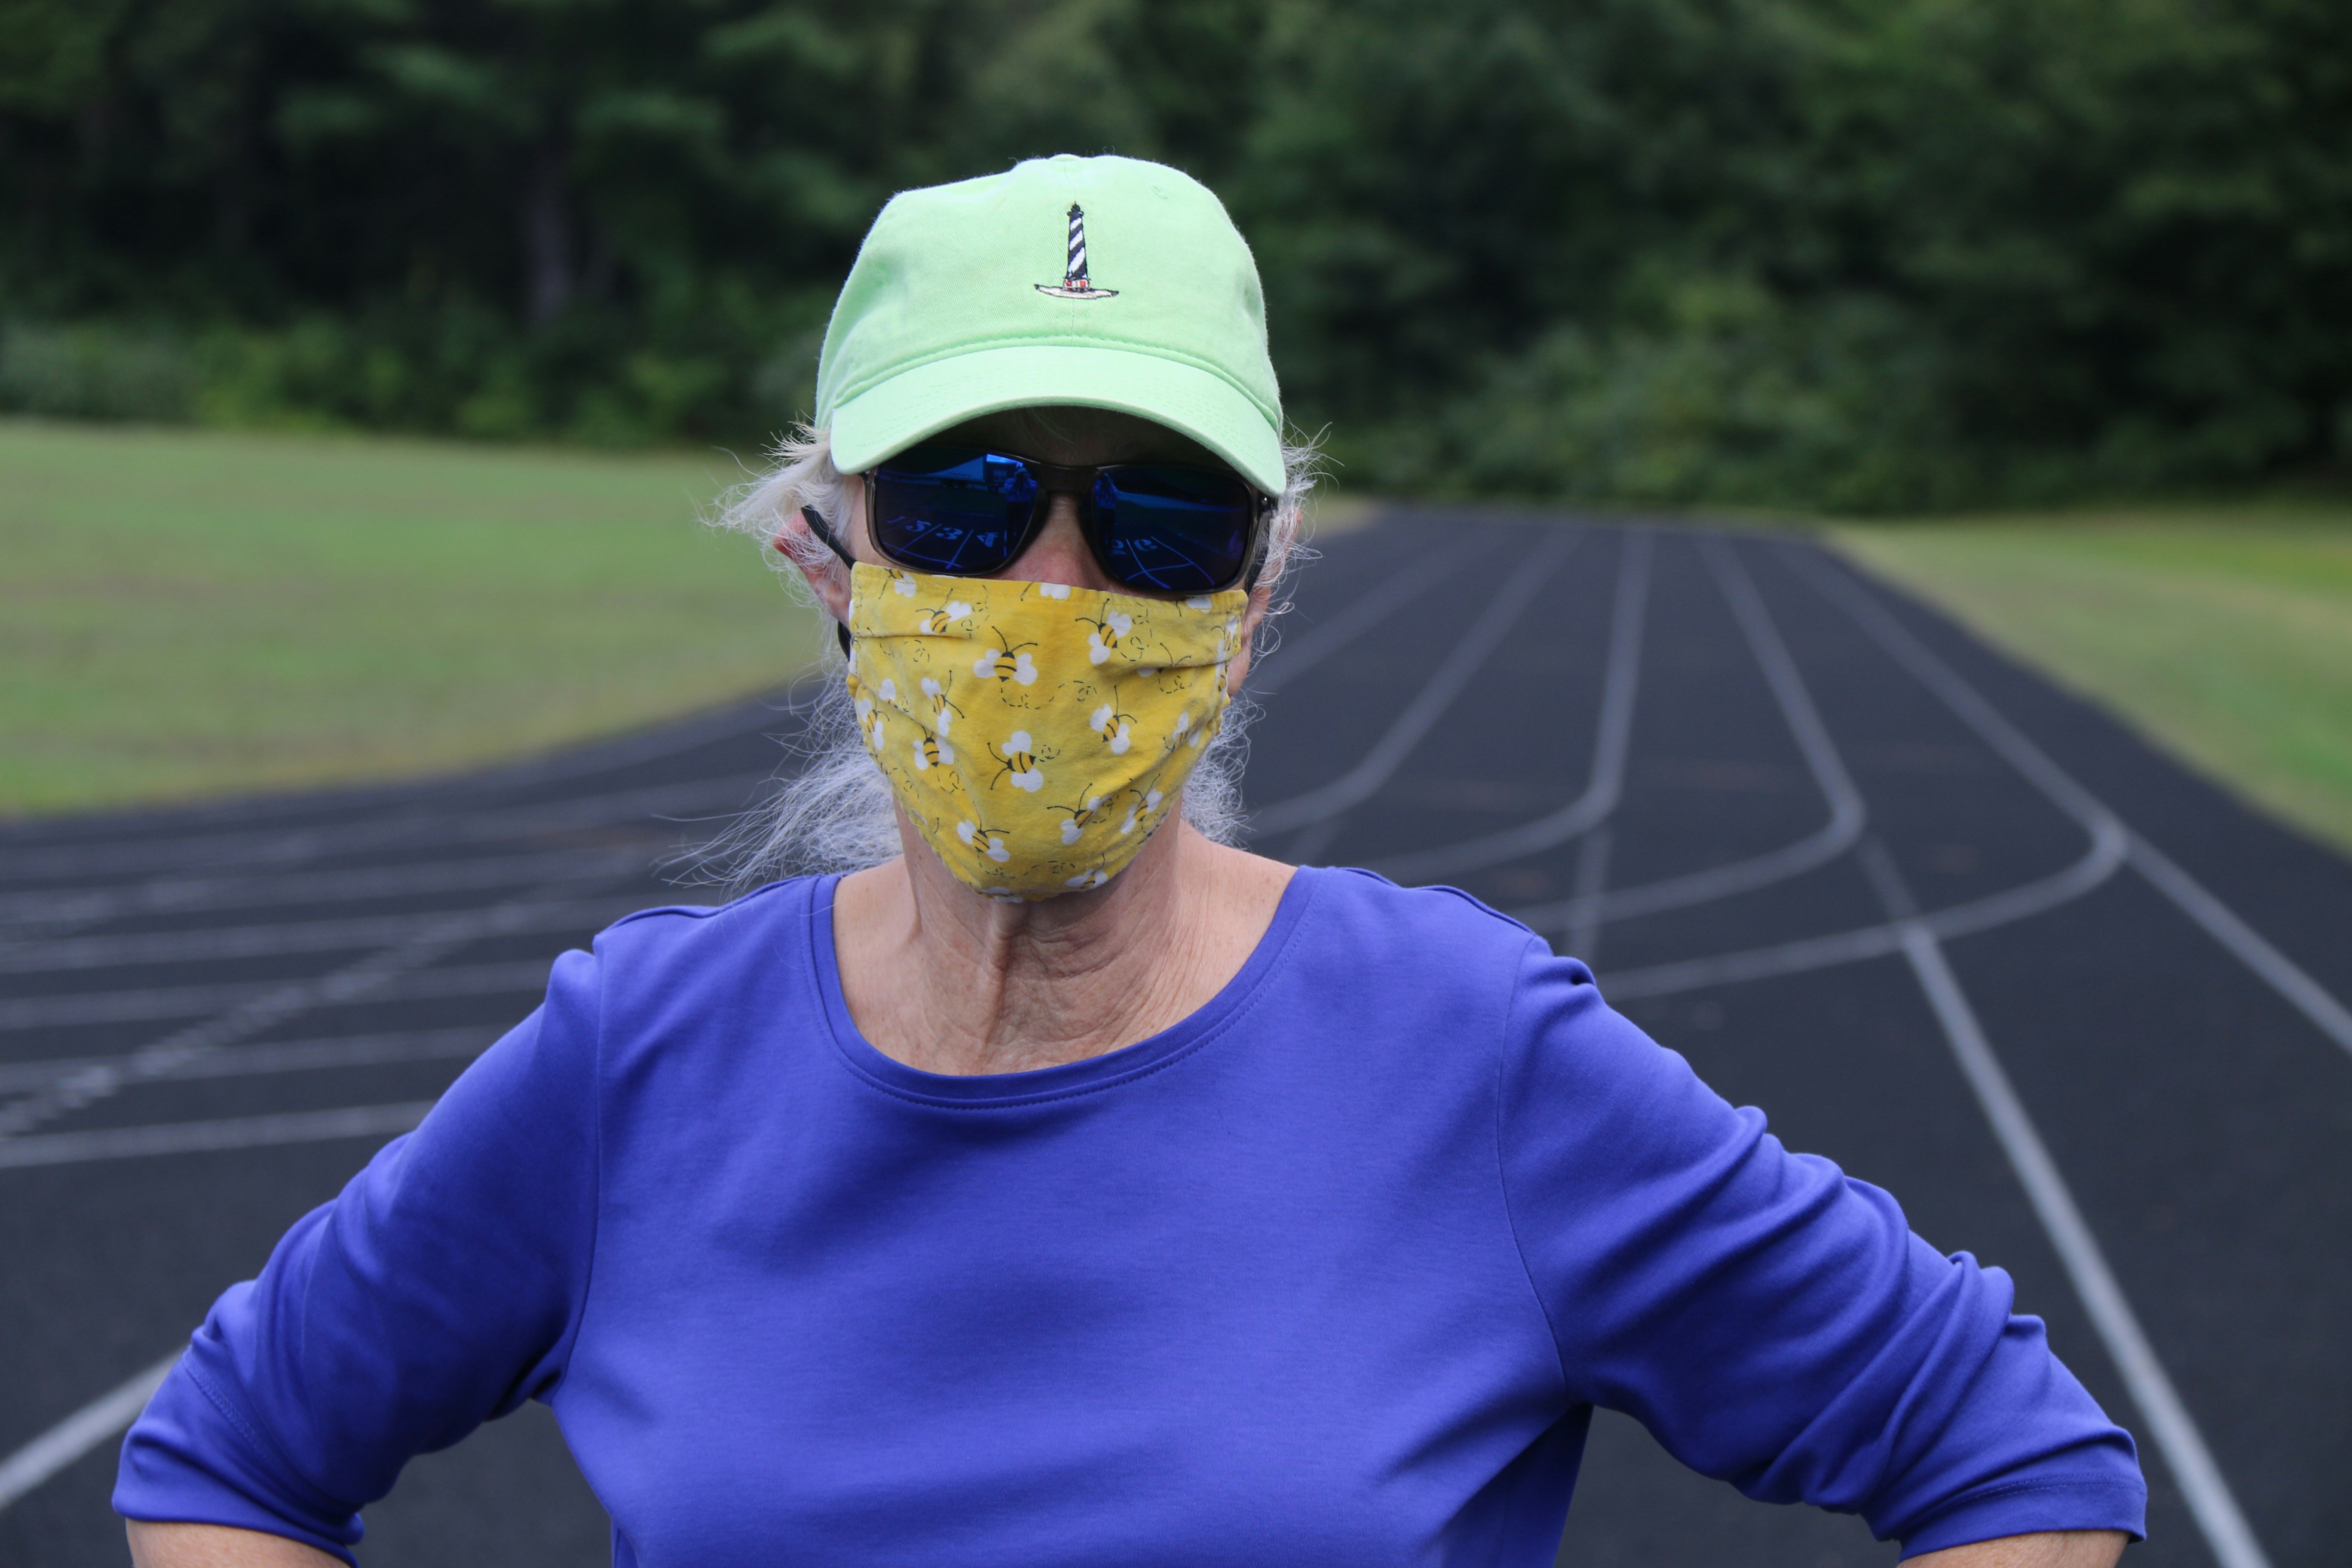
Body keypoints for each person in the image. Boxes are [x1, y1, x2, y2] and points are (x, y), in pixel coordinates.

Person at [116, 154, 2145, 1568]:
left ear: (1253, 598)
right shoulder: (635, 1058)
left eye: (1163, 518)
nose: (1061, 587)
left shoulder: (1471, 1056)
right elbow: (226, 1465)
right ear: (834, 560)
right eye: (974, 501)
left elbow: (2017, 1460)